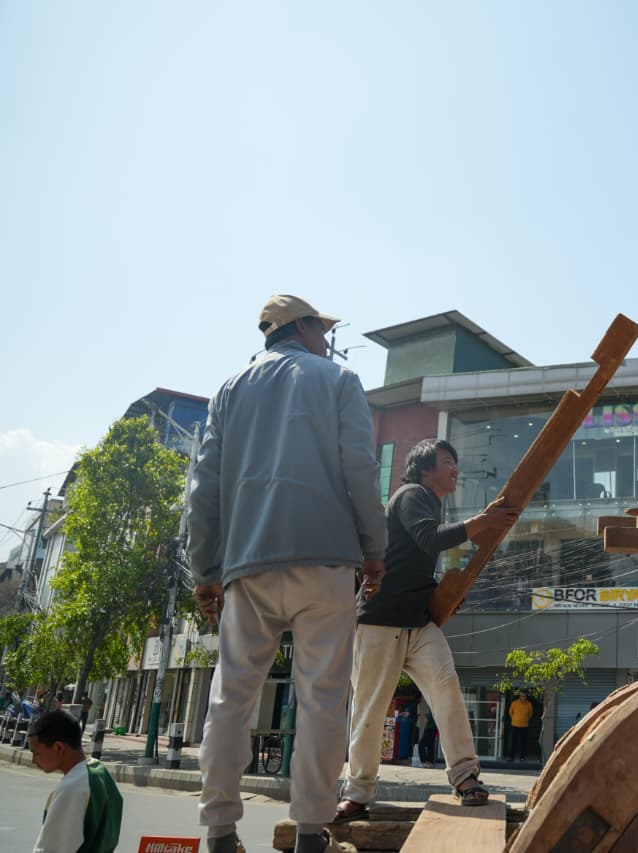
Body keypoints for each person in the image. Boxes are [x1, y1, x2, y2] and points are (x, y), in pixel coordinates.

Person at [187, 294, 387, 853]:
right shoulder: (339, 381)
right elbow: (360, 470)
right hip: (325, 561)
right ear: (301, 327)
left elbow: (205, 487)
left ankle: (221, 831)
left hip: (247, 565)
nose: (325, 337)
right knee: (323, 698)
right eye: (320, 328)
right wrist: (375, 548)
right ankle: (309, 832)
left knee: (231, 698)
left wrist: (205, 568)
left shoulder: (228, 391)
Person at [336, 438, 520, 820]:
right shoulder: (411, 494)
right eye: (447, 461)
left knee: (447, 687)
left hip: (419, 622)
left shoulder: (431, 502)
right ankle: (357, 792)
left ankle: (466, 777)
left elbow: (415, 559)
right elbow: (429, 538)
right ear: (425, 470)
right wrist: (484, 521)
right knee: (370, 711)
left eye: (455, 461)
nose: (455, 468)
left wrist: (445, 595)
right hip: (380, 620)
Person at [28, 709, 122, 853]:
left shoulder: (71, 789)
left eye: (36, 753)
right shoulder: (100, 771)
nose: (34, 760)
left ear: (58, 747)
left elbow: (51, 849)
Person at [508, 691, 534, 762]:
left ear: (526, 697)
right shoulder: (514, 703)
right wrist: (514, 718)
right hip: (514, 725)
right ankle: (511, 757)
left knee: (523, 743)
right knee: (513, 742)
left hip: (524, 726)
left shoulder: (529, 704)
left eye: (524, 696)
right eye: (522, 696)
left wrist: (525, 719)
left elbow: (530, 714)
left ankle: (522, 757)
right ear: (519, 696)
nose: (523, 697)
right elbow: (510, 712)